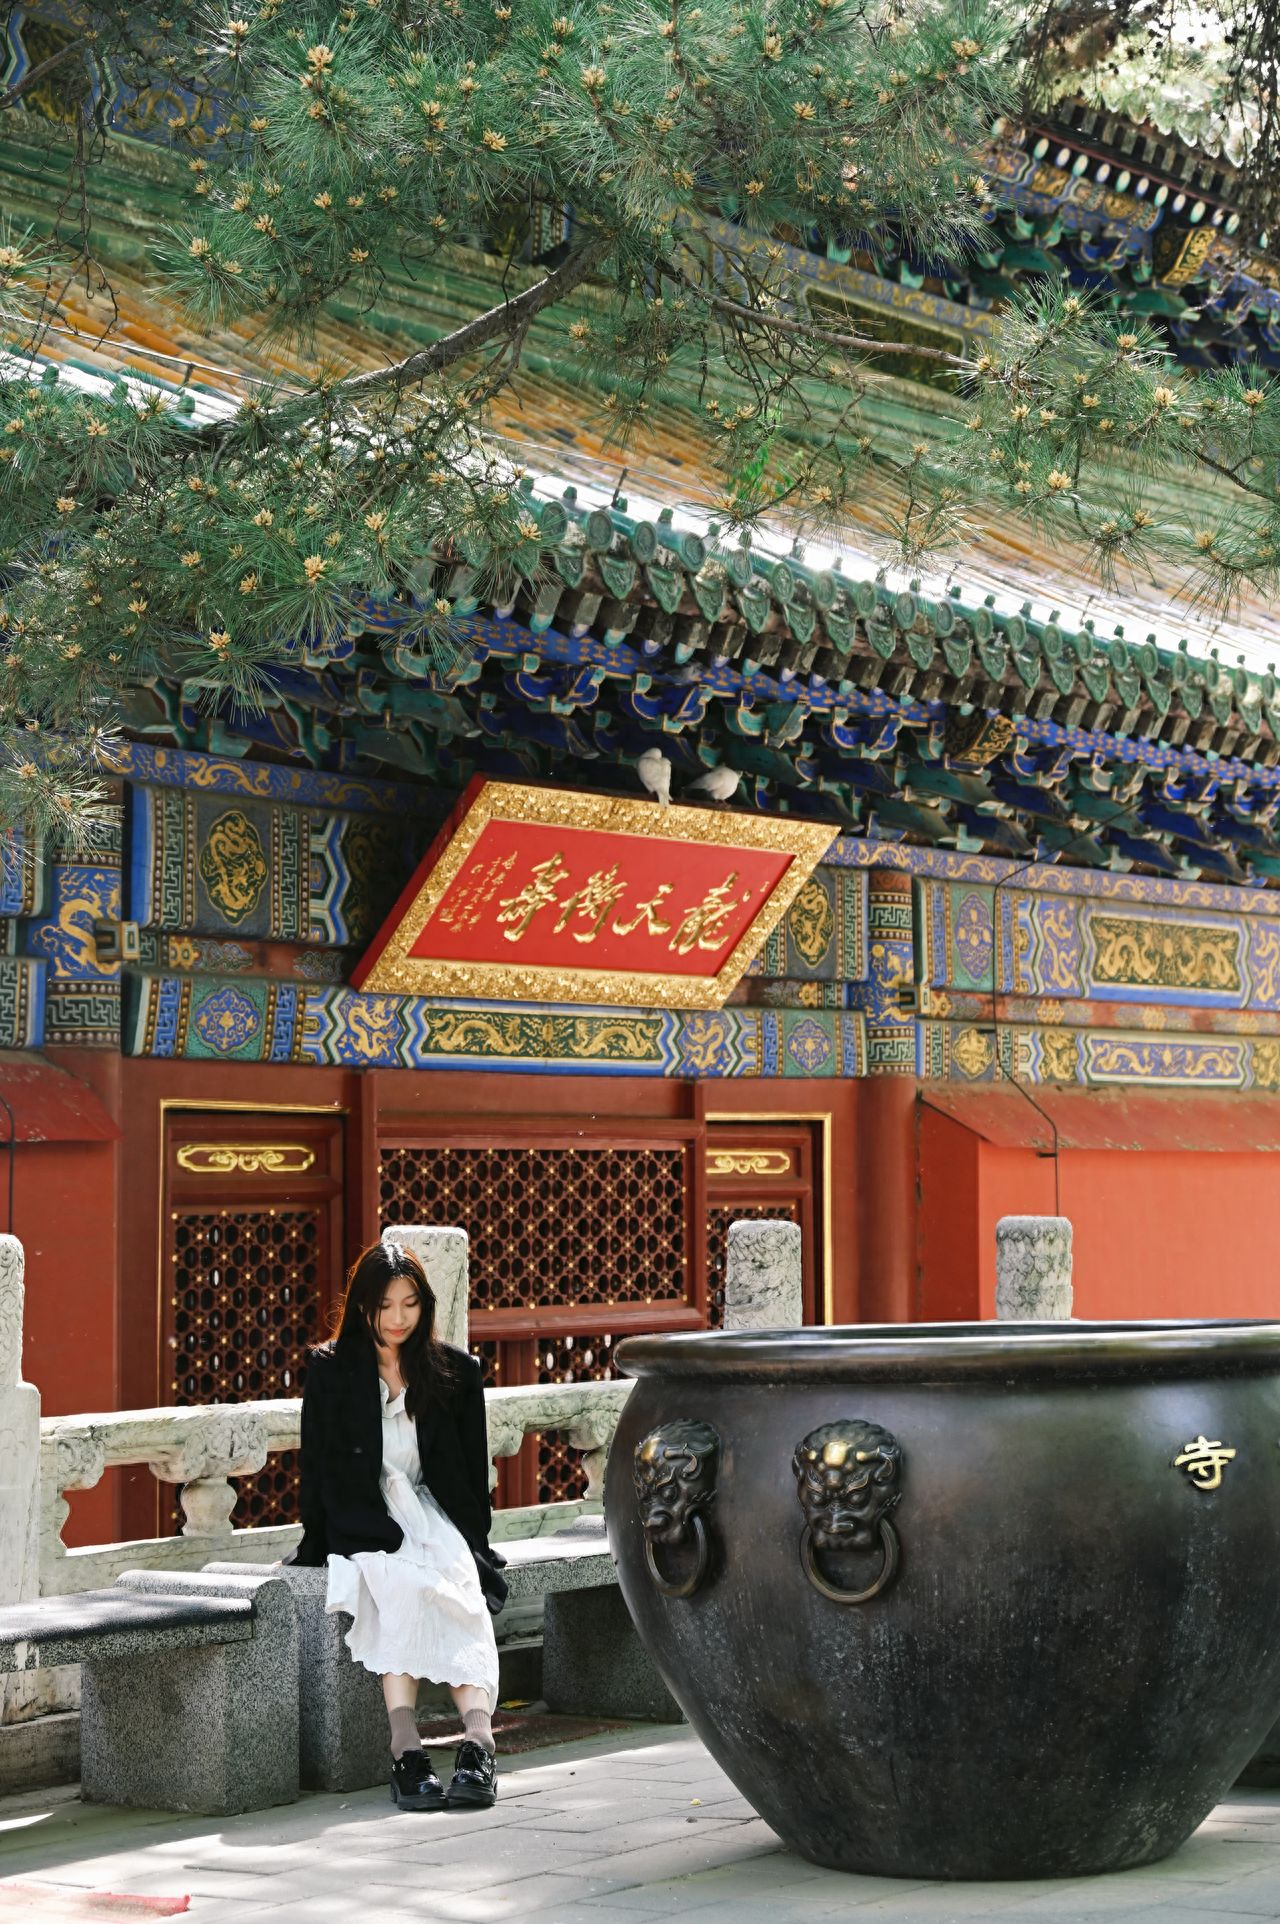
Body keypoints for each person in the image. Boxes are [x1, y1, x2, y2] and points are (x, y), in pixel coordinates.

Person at [289, 1235, 507, 1811]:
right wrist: (316, 1541)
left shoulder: (455, 1372)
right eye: (384, 1305)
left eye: (409, 1303)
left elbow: (469, 1467)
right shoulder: (331, 1370)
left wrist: (475, 1547)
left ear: (424, 1304)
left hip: (434, 1512)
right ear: (363, 1305)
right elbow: (316, 1467)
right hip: (364, 1517)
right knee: (403, 1589)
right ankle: (407, 1749)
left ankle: (478, 1745)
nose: (397, 1318)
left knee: (461, 1592)